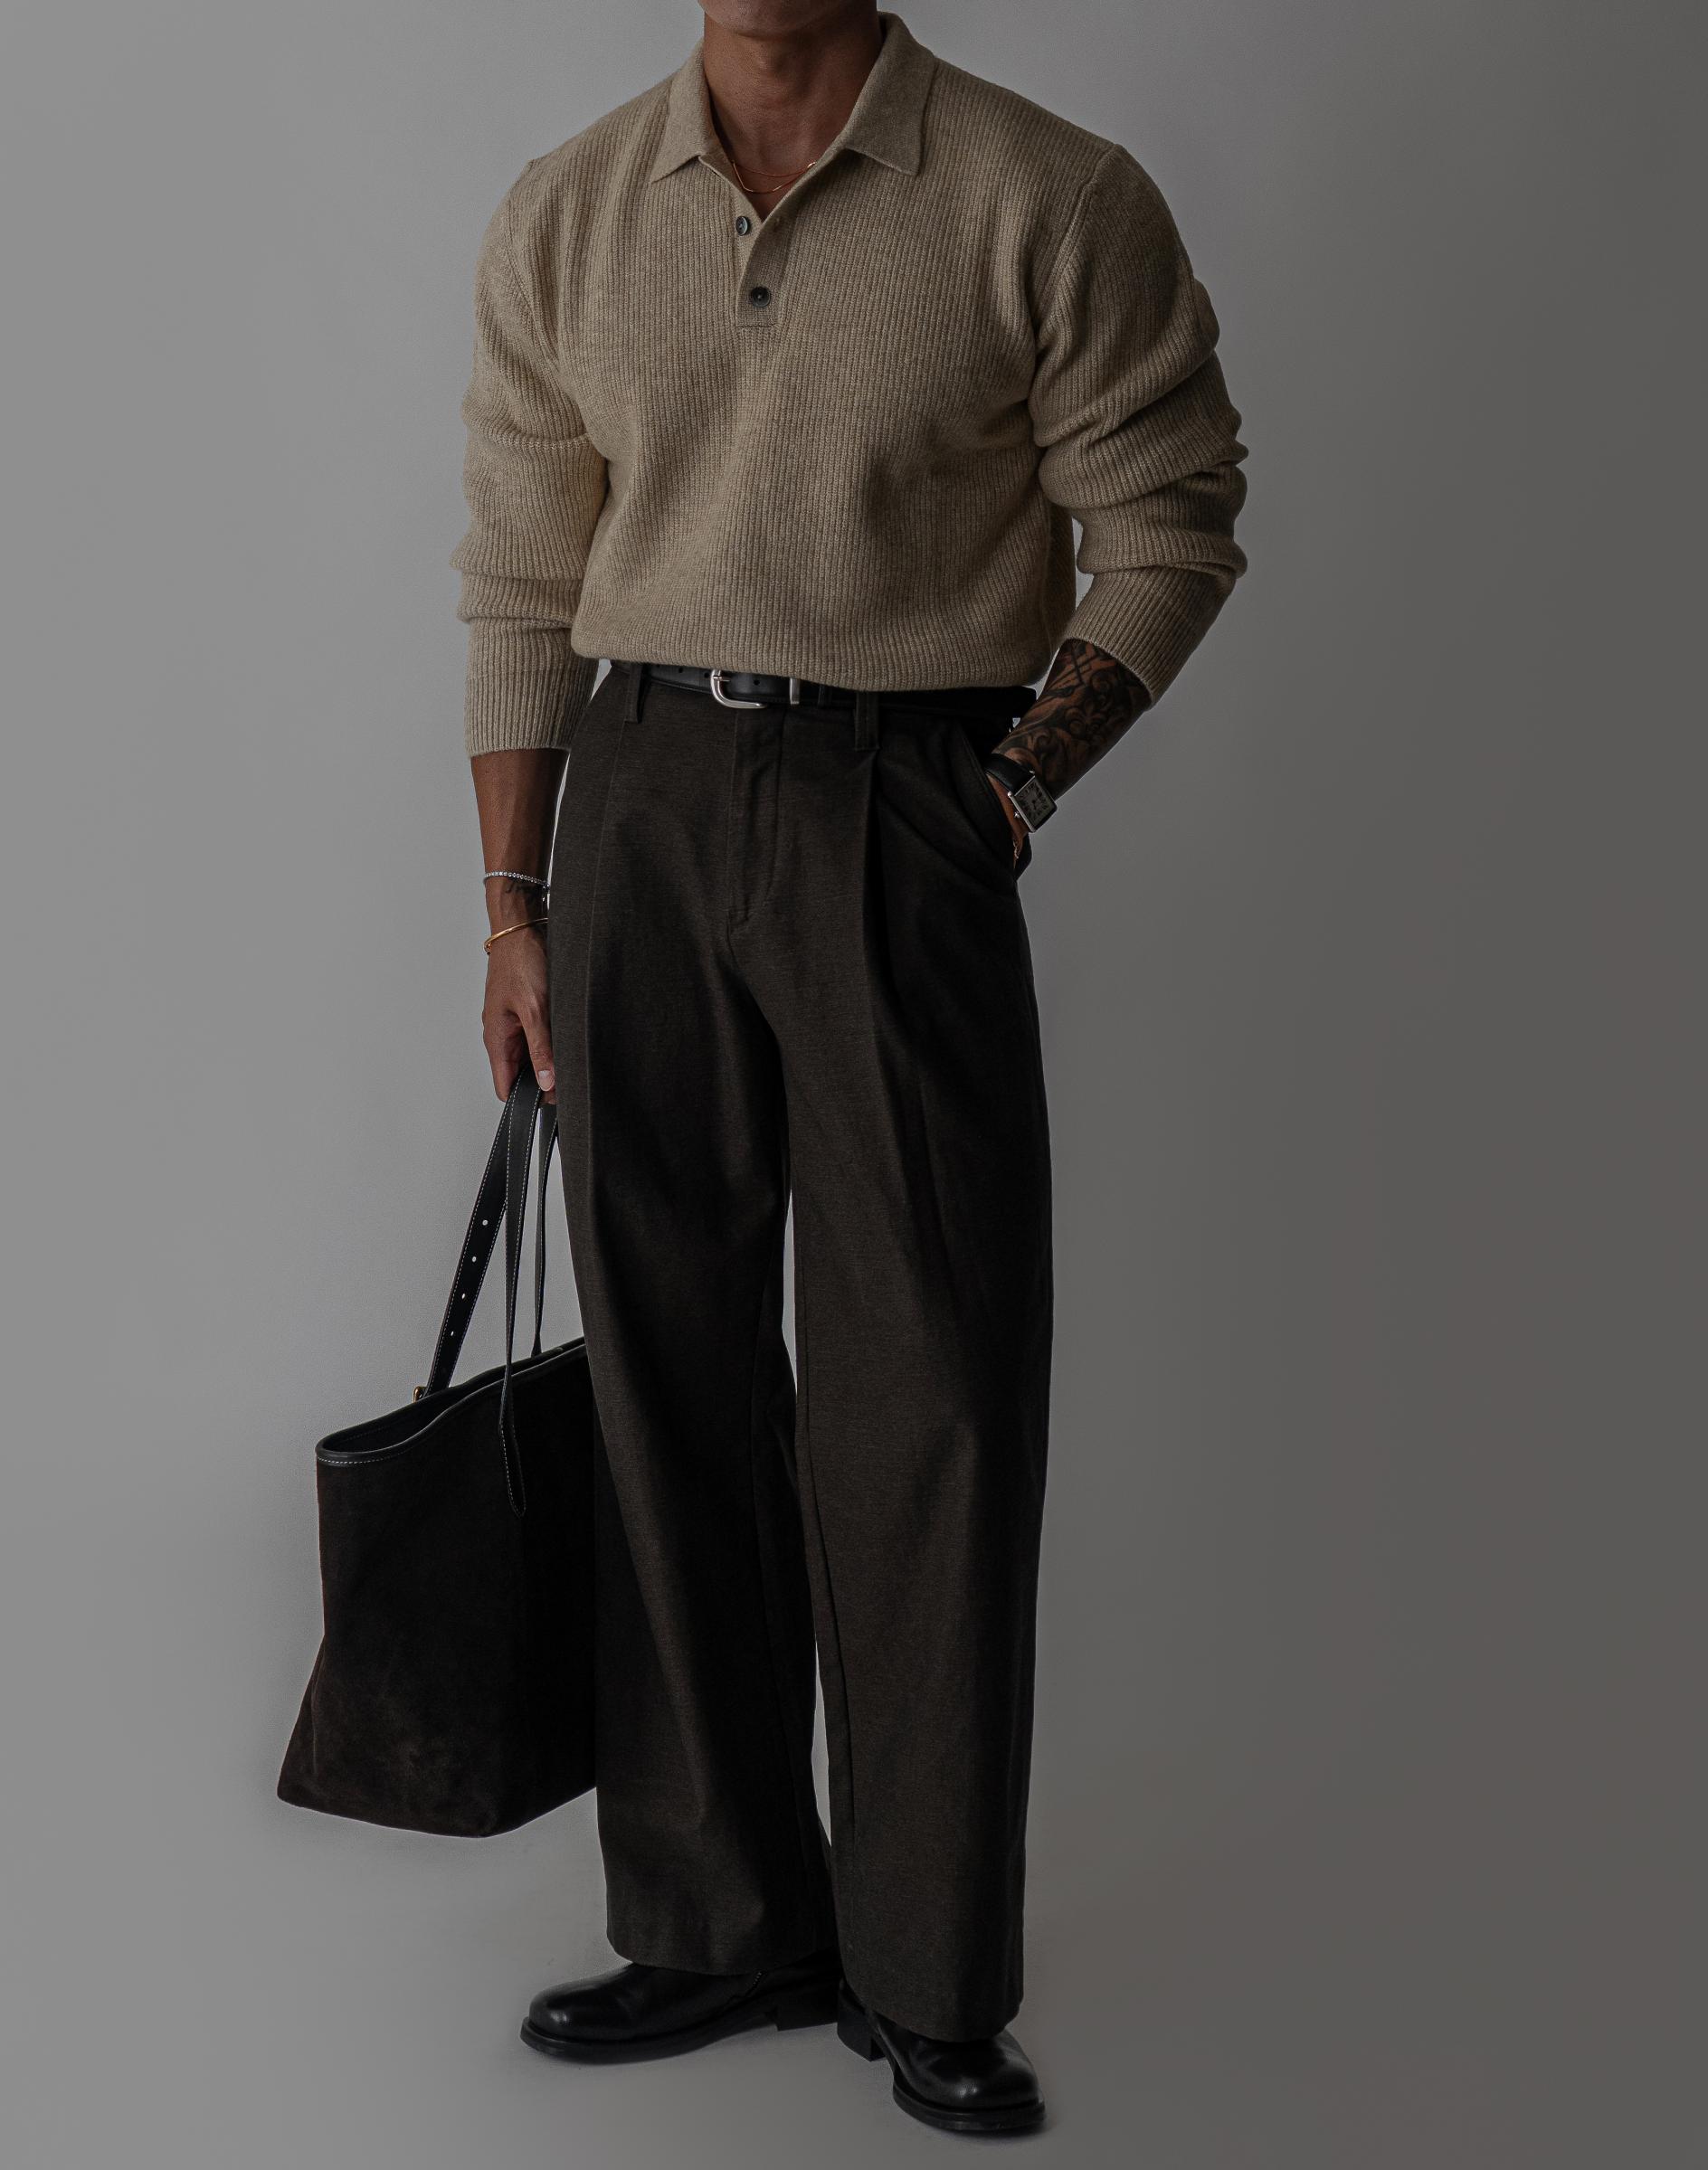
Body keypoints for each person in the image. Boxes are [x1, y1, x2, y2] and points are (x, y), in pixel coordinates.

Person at [451, 2, 1246, 2136]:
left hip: (904, 802)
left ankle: (925, 1966)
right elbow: (519, 570)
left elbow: (1172, 516)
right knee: (666, 1373)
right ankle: (722, 1919)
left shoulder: (1044, 197)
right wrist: (513, 907)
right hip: (632, 800)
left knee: (937, 1394)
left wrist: (1006, 789)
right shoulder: (569, 209)